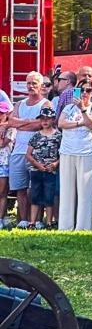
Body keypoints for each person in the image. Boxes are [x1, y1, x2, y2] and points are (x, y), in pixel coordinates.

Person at [57, 76, 92, 230]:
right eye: (81, 90)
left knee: (85, 191)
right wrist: (79, 123)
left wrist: (84, 110)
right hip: (67, 150)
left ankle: (83, 227)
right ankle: (65, 226)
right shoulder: (68, 108)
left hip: (86, 151)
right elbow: (61, 123)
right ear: (76, 91)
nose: (84, 93)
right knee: (66, 190)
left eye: (88, 90)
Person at [9, 71, 50, 224]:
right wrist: (29, 121)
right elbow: (11, 122)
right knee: (20, 188)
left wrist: (22, 123)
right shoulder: (19, 103)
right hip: (18, 151)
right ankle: (24, 220)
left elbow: (41, 124)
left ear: (41, 86)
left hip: (37, 153)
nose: (31, 86)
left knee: (35, 188)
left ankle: (37, 220)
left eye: (34, 83)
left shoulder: (45, 104)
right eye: (28, 83)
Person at [25, 105, 61, 229]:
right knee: (34, 196)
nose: (45, 121)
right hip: (36, 170)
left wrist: (55, 164)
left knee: (49, 197)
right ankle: (32, 222)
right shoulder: (36, 136)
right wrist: (38, 165)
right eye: (42, 119)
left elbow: (63, 154)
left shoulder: (58, 136)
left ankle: (49, 222)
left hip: (51, 171)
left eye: (47, 118)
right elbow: (28, 154)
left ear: (53, 119)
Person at [0, 91, 14, 227]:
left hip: (4, 163)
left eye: (2, 113)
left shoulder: (10, 129)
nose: (0, 115)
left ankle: (1, 218)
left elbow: (3, 143)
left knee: (2, 192)